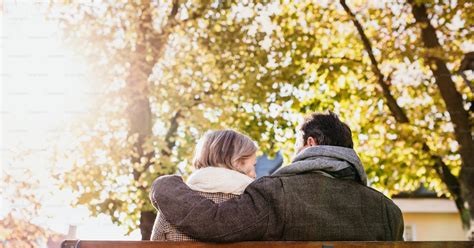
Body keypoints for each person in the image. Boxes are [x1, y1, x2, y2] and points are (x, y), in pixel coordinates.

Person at [150, 112, 404, 242]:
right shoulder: (386, 210)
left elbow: (214, 223)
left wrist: (166, 185)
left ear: (309, 143)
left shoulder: (277, 192)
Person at [150, 129, 258, 241]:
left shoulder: (171, 207)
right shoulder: (257, 207)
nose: (255, 175)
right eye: (254, 165)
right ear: (237, 162)